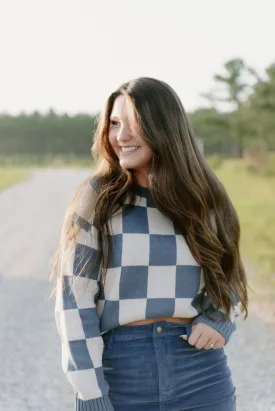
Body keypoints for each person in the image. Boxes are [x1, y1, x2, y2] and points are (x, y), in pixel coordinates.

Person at [52, 77, 248, 411]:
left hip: (201, 373)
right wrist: (90, 394)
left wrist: (218, 319)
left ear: (165, 127)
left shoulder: (204, 197)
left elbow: (228, 272)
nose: (121, 136)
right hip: (122, 374)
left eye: (135, 124)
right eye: (115, 124)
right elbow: (74, 301)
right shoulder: (97, 199)